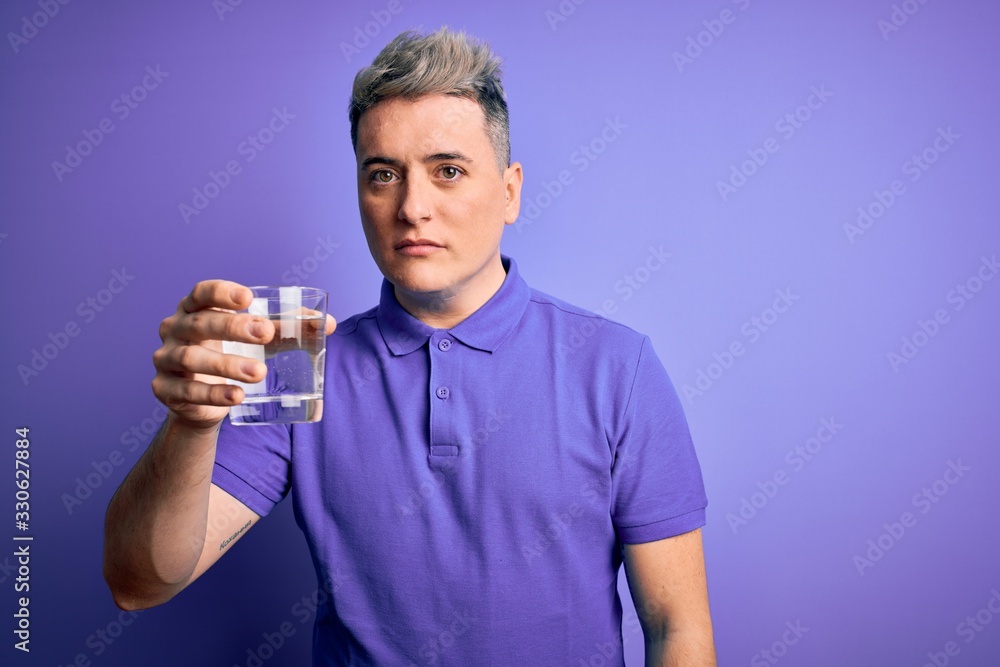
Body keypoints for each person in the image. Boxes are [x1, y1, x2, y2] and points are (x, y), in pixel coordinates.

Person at [103, 27, 716, 666]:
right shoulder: (299, 363)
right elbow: (138, 583)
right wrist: (191, 424)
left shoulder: (617, 368)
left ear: (509, 192)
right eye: (383, 175)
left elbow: (678, 628)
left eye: (447, 171)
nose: (412, 207)